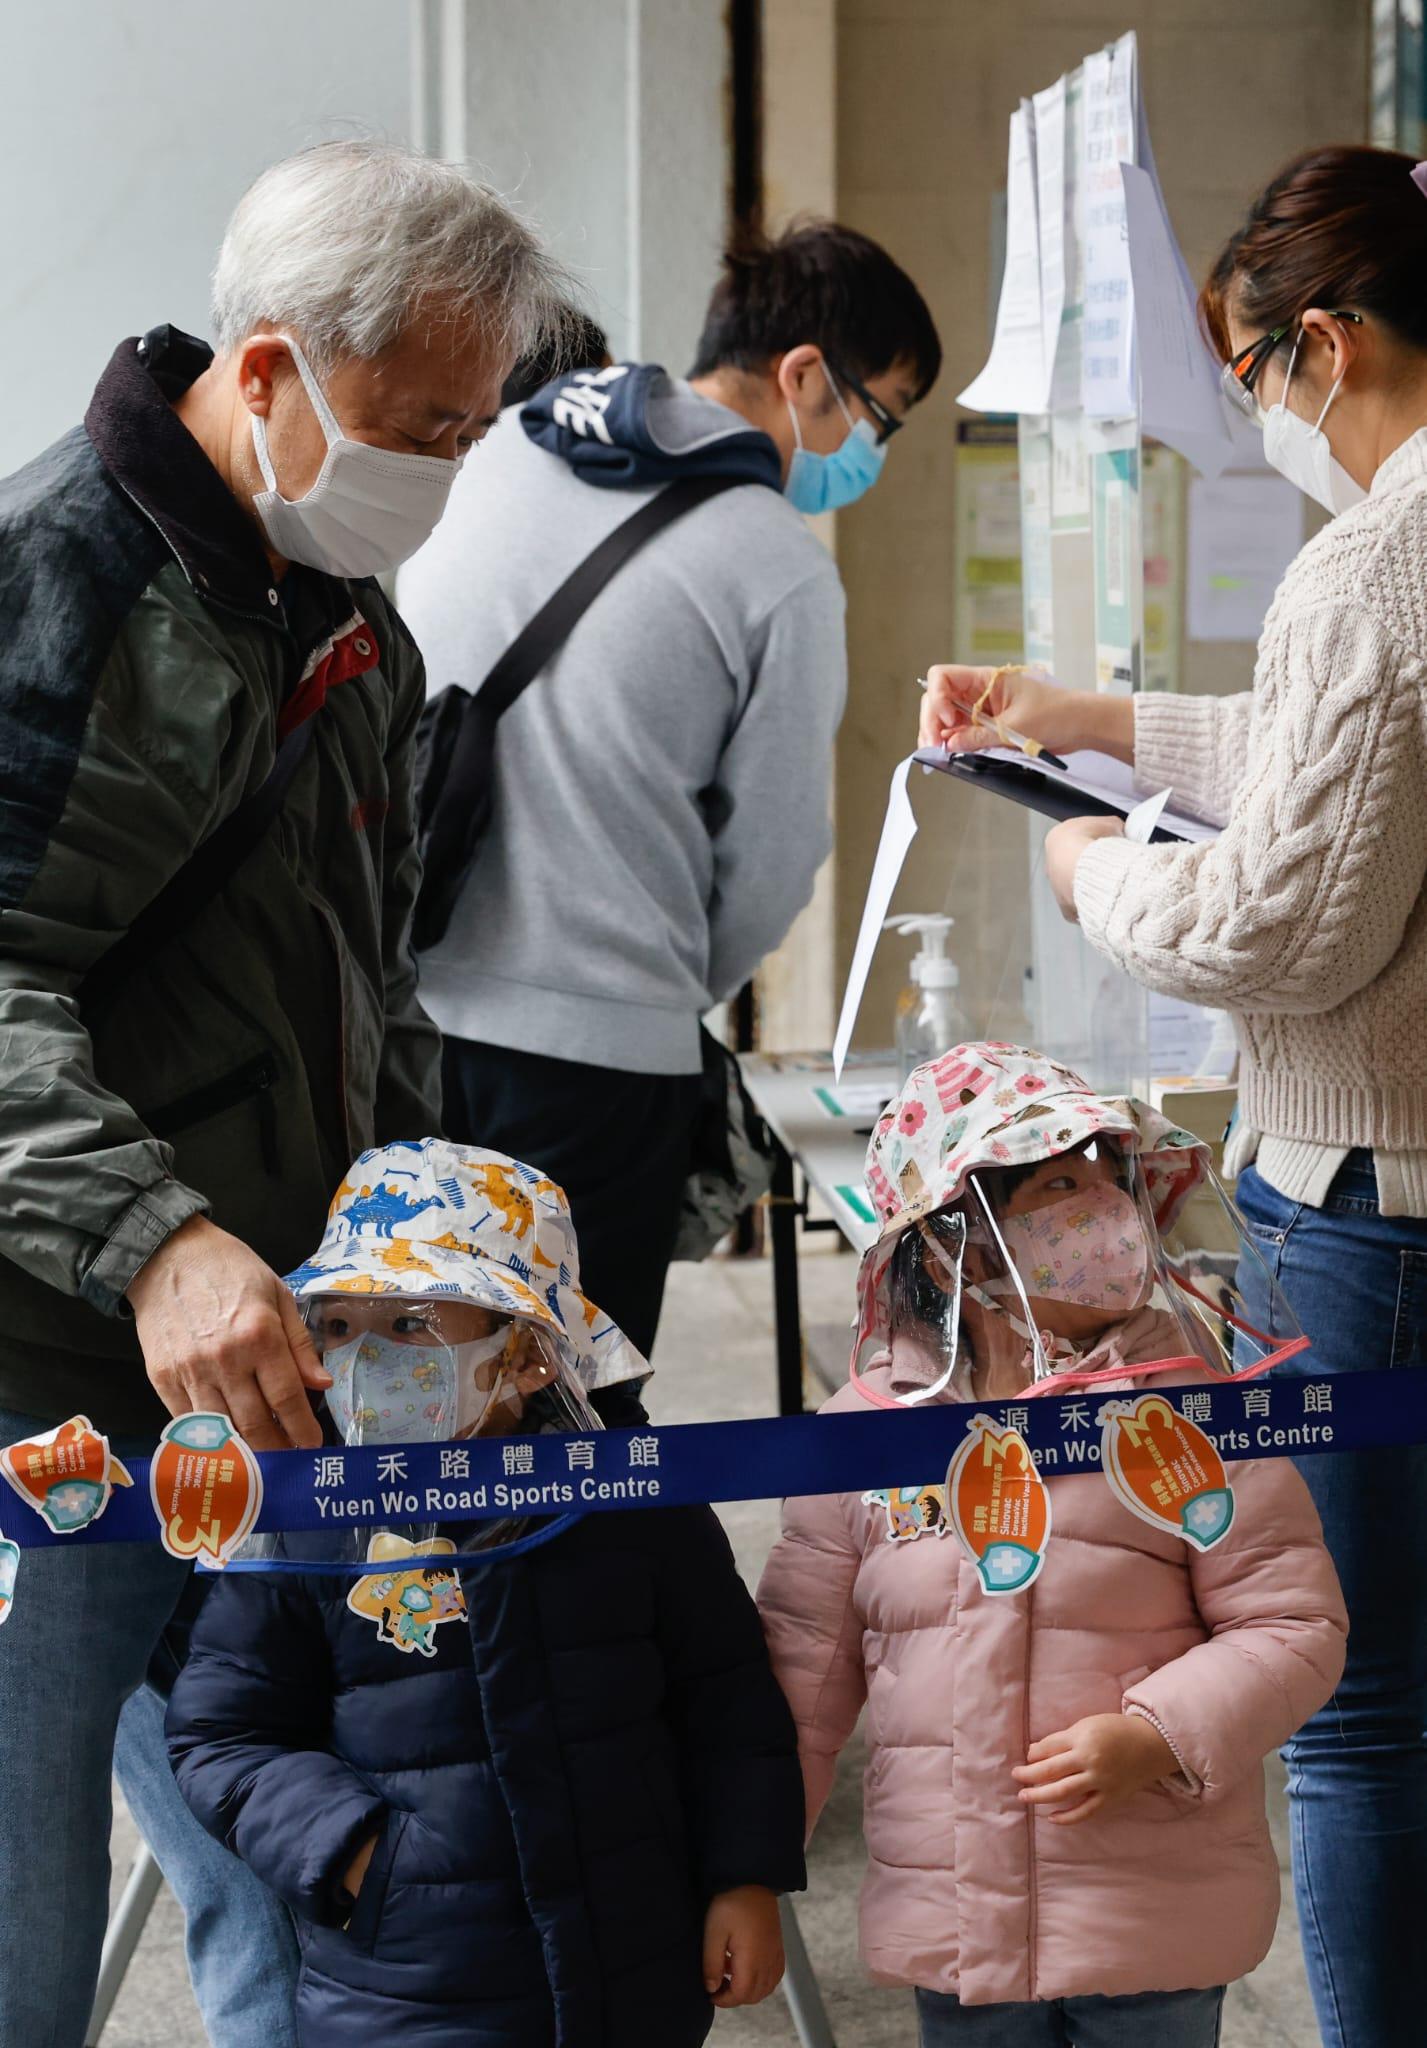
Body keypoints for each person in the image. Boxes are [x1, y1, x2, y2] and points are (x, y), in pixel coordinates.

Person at [0, 140, 560, 2048]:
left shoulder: (343, 613)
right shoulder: (62, 587)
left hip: (264, 1375)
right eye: (421, 422)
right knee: (23, 1906)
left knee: (282, 1853)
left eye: (476, 426)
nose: (448, 471)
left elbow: (362, 970)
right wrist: (154, 1243)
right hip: (50, 1374)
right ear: (264, 373)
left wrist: (407, 1231)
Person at [919, 144, 1427, 2048]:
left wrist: (1084, 872)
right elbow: (1339, 756)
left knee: (1360, 1709)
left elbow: (1280, 914)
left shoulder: (1375, 556)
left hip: (1374, 1195)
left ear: (1325, 341)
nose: (1251, 421)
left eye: (1249, 380)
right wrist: (1090, 716)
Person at [400, 221, 942, 1355]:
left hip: (407, 1026)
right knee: (567, 1404)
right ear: (802, 375)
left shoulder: (498, 452)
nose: (869, 451)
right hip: (599, 1069)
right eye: (877, 413)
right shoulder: (779, 567)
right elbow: (775, 857)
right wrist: (652, 983)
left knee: (416, 1393)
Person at [757, 1044, 1348, 2047]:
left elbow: (1292, 1621)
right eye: (1059, 1183)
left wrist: (1160, 1730)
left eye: (1113, 1180)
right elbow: (800, 1665)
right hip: (953, 1928)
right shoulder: (866, 1432)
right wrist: (747, 1857)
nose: (1106, 1209)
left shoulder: (1186, 1412)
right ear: (956, 1240)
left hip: (1148, 1917)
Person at [166, 1139, 806, 2046]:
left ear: (531, 1354)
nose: (364, 1359)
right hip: (404, 1990)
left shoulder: (631, 1501)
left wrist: (744, 1877)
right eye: (339, 1326)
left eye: (414, 1324)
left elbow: (727, 1696)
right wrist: (356, 1853)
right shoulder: (301, 1520)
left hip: (631, 1966)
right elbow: (220, 1734)